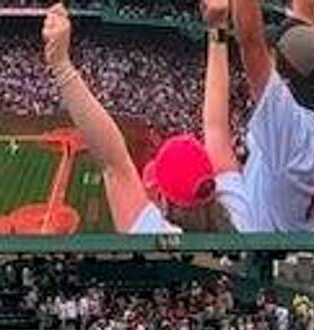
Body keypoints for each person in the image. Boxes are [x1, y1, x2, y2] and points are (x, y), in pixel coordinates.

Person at [41, 2, 247, 235]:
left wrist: (60, 64)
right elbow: (216, 127)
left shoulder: (155, 235)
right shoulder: (240, 215)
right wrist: (218, 28)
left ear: (163, 199)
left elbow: (114, 162)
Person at [231, 0, 314, 232]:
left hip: (273, 251)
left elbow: (251, 42)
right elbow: (305, 21)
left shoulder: (288, 126)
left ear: (283, 72)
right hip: (299, 233)